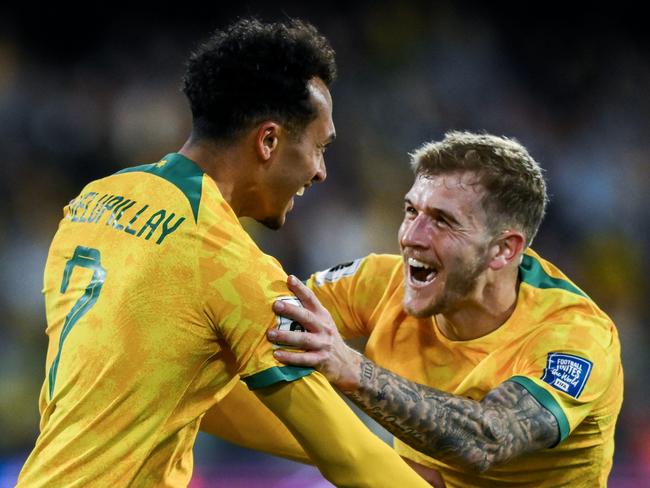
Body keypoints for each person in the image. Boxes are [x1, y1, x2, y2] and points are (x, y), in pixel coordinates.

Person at [17, 18, 432, 488]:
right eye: (319, 147)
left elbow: (204, 397)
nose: (321, 172)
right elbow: (348, 458)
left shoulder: (93, 202)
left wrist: (392, 460)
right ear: (269, 140)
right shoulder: (226, 262)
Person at [206, 131, 622, 487]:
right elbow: (257, 319)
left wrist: (353, 369)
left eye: (442, 220)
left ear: (503, 249)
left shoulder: (575, 336)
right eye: (411, 211)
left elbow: (488, 439)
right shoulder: (376, 283)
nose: (411, 236)